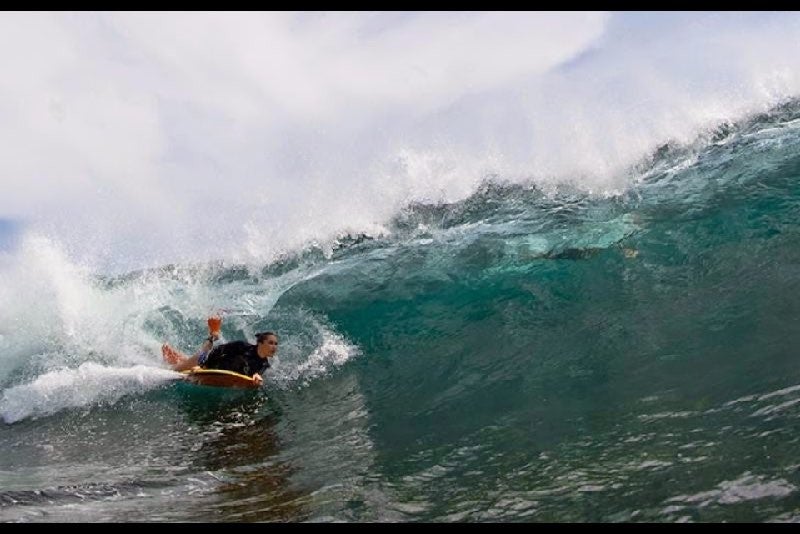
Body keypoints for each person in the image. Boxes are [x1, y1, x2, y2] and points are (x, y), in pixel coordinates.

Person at [162, 316, 278, 386]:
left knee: (186, 363)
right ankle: (214, 333)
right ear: (260, 343)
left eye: (276, 344)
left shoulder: (264, 364)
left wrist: (256, 379)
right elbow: (218, 350)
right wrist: (203, 366)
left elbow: (256, 374)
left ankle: (180, 359)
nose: (274, 347)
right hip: (206, 359)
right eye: (271, 343)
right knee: (175, 371)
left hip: (218, 370)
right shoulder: (242, 346)